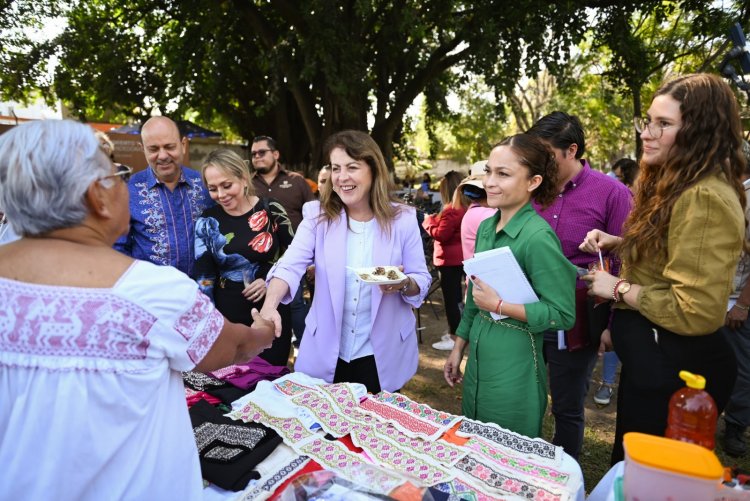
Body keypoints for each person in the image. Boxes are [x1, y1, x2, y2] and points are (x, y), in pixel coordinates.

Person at [0, 120, 276, 500]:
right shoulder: (151, 290)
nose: (124, 186)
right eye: (115, 176)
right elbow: (232, 349)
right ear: (98, 196)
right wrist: (265, 329)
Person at [581, 73, 745, 464]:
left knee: (648, 481)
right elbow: (675, 254)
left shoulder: (704, 197)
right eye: (648, 121)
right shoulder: (678, 185)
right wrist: (621, 242)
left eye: (664, 124)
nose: (648, 133)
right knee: (630, 472)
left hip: (678, 373)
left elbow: (697, 309)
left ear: (700, 133)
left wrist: (616, 289)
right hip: (654, 362)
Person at [260, 130, 431, 394]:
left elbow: (421, 278)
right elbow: (290, 264)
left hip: (381, 356)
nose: (342, 177)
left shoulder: (404, 219)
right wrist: (270, 304)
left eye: (352, 167)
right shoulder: (317, 216)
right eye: (336, 168)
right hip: (326, 354)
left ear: (373, 169)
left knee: (373, 431)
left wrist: (403, 283)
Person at [443, 134, 576, 438]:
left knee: (506, 453)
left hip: (515, 368)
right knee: (474, 442)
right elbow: (476, 296)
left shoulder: (538, 237)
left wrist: (501, 306)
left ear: (533, 182)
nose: (490, 181)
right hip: (478, 361)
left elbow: (562, 314)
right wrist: (459, 346)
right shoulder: (487, 226)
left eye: (503, 174)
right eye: (489, 171)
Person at [527, 111, 632, 460]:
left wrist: (612, 327)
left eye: (546, 155)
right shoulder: (531, 189)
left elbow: (626, 262)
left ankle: (563, 478)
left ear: (571, 150)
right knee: (524, 398)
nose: (537, 163)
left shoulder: (612, 193)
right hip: (525, 313)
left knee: (567, 407)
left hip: (576, 320)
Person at [193, 148, 296, 366]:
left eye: (227, 185)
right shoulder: (207, 221)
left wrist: (269, 278)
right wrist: (209, 325)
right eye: (213, 189)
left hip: (271, 314)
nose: (221, 195)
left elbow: (296, 256)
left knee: (271, 380)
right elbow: (204, 277)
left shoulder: (271, 209)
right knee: (232, 386)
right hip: (228, 318)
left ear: (243, 177)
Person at [114, 116, 214, 276]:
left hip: (201, 292)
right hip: (150, 294)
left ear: (183, 145)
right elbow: (118, 248)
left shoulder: (205, 185)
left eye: (169, 147)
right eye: (153, 149)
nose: (162, 156)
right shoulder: (127, 190)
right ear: (143, 149)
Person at [251, 135, 315, 348]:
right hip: (260, 258)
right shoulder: (248, 184)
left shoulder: (297, 181)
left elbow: (316, 217)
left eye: (262, 152)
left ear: (275, 154)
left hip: (294, 255)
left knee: (295, 304)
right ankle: (272, 352)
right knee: (266, 305)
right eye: (253, 154)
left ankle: (304, 349)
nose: (257, 157)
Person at [594, 157, 639, 407]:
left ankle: (608, 382)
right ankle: (607, 381)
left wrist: (619, 287)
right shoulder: (622, 199)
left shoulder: (627, 200)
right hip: (619, 287)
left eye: (620, 176)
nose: (614, 179)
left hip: (628, 289)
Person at [719, 140, 750, 458]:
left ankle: (736, 426)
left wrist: (742, 303)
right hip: (711, 299)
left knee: (742, 370)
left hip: (738, 301)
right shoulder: (721, 193)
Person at [423, 171, 469, 351]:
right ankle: (458, 332)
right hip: (461, 258)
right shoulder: (465, 208)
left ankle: (454, 336)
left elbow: (441, 234)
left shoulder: (451, 209)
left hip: (449, 261)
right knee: (459, 299)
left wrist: (428, 222)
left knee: (452, 300)